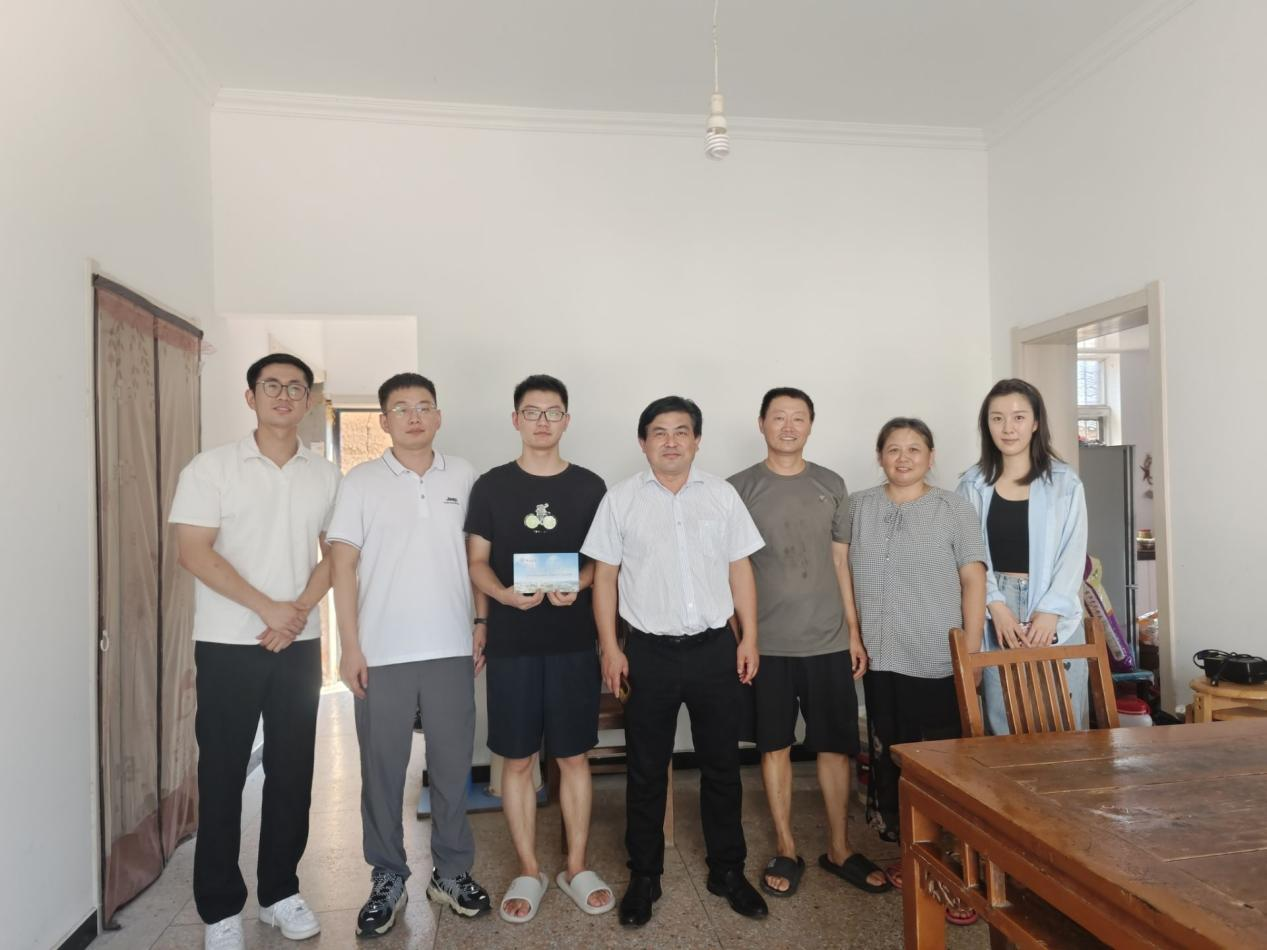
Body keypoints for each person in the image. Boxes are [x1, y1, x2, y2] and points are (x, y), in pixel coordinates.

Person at [171, 353, 340, 950]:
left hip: (298, 644)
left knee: (293, 773)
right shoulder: (211, 468)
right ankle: (220, 908)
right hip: (227, 644)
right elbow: (193, 551)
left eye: (296, 387)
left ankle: (279, 894)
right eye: (272, 386)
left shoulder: (324, 475)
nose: (284, 395)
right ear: (251, 397)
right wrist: (268, 608)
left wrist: (296, 613)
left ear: (309, 401)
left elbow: (339, 555)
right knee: (221, 774)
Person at [582, 395, 769, 928]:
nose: (671, 441)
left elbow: (740, 569)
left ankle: (727, 871)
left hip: (714, 649)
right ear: (643, 442)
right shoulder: (620, 500)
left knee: (722, 766)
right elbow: (605, 579)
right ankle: (645, 876)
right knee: (645, 770)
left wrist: (749, 638)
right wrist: (611, 647)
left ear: (697, 440)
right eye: (659, 432)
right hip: (648, 652)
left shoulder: (722, 495)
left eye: (681, 431)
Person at [327, 372, 491, 938]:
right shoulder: (361, 482)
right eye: (401, 408)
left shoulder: (465, 475)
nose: (414, 416)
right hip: (382, 650)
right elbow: (342, 566)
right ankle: (388, 877)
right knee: (382, 770)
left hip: (450, 646)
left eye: (424, 406)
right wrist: (349, 646)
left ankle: (451, 872)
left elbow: (477, 559)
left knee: (452, 767)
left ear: (438, 416)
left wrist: (481, 622)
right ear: (384, 421)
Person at [727, 388, 889, 898]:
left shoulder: (831, 483)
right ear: (761, 423)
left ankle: (839, 848)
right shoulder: (738, 488)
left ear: (811, 425)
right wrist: (742, 635)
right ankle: (786, 846)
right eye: (779, 417)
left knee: (836, 747)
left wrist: (853, 632)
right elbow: (730, 568)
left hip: (828, 640)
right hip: (768, 644)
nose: (788, 426)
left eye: (798, 418)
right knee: (773, 745)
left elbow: (842, 562)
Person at [464, 374, 614, 923]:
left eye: (553, 412)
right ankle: (529, 869)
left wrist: (583, 582)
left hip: (573, 642)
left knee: (574, 756)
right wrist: (502, 597)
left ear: (566, 420)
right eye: (532, 412)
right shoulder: (492, 486)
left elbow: (603, 560)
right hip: (514, 644)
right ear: (516, 420)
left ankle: (576, 866)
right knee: (519, 759)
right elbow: (477, 561)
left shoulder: (591, 487)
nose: (543, 421)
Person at [847, 417, 986, 925]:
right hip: (883, 658)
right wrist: (853, 634)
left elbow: (974, 580)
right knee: (894, 760)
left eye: (914, 449)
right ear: (879, 455)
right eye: (893, 449)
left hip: (938, 659)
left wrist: (970, 652)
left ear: (931, 456)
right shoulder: (859, 506)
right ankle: (912, 853)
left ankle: (956, 865)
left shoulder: (953, 508)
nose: (903, 458)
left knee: (945, 765)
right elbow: (841, 571)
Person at [957, 378, 1090, 734]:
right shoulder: (971, 484)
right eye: (997, 418)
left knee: (1064, 720)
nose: (1008, 428)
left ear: (1035, 423)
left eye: (1018, 417)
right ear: (987, 425)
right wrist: (996, 607)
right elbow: (968, 555)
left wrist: (1050, 611)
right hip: (996, 605)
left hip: (1054, 604)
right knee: (1005, 720)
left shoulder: (1064, 483)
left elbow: (1074, 551)